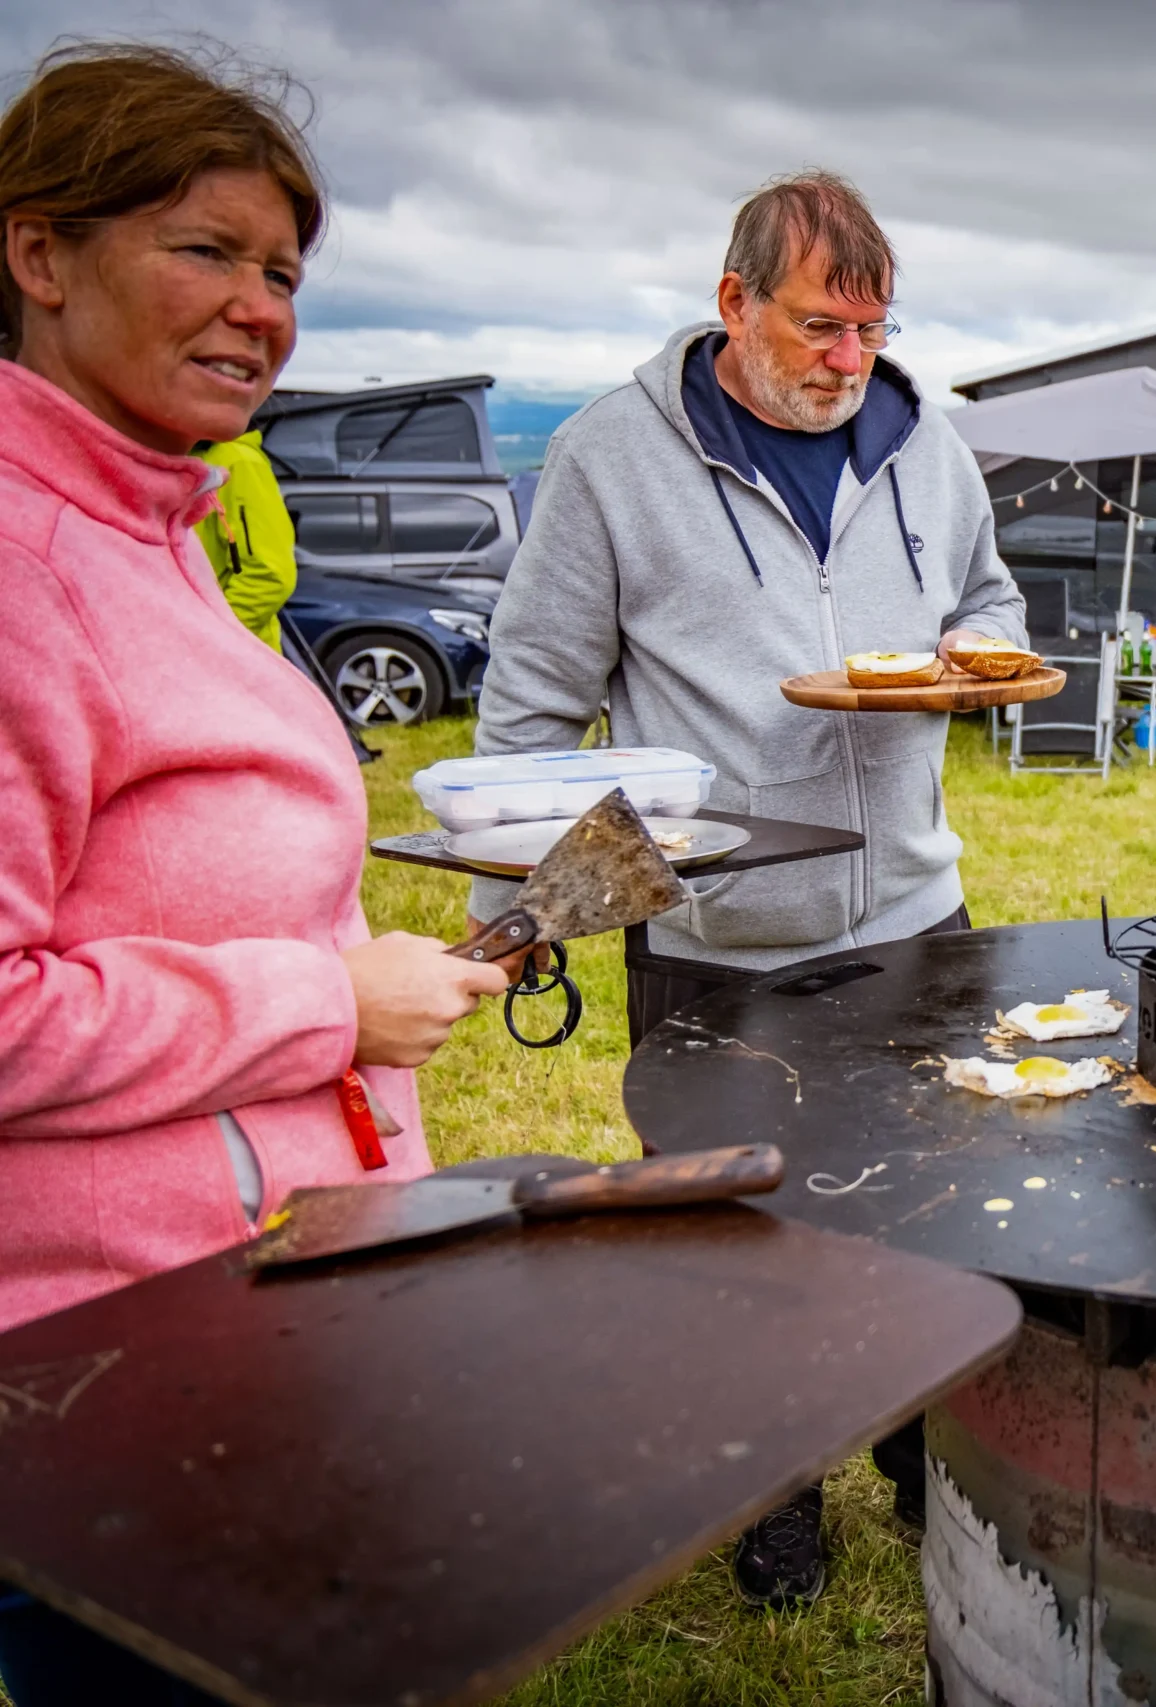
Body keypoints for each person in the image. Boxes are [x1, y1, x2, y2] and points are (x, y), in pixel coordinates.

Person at [0, 42, 509, 1704]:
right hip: (114, 1377)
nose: (257, 306)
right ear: (38, 252)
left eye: (282, 269)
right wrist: (326, 1000)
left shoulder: (150, 531)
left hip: (265, 1311)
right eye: (205, 250)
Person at [470, 169, 1026, 1606]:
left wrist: (975, 654)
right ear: (734, 304)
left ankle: (922, 1459)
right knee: (736, 1236)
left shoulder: (928, 441)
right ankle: (770, 1492)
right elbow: (529, 711)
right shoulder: (612, 456)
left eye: (872, 327)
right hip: (717, 936)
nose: (852, 359)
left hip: (913, 913)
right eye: (820, 326)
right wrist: (533, 905)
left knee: (926, 1212)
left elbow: (992, 602)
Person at [194, 427, 296, 648]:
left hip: (223, 660)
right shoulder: (186, 457)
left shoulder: (237, 460)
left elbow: (269, 575)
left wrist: (209, 639)